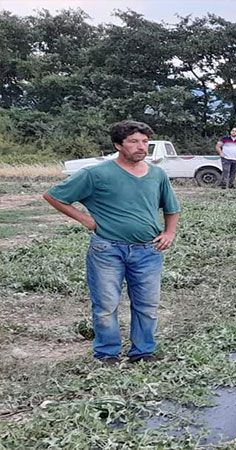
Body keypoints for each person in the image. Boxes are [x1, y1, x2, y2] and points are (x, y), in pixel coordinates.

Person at [43, 120, 181, 364]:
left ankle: (143, 352)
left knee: (147, 306)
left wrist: (169, 233)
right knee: (106, 305)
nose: (141, 147)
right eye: (134, 142)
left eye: (144, 142)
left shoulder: (157, 174)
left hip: (148, 250)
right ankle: (107, 354)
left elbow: (171, 207)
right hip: (107, 249)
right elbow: (54, 196)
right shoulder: (96, 173)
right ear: (118, 145)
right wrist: (85, 219)